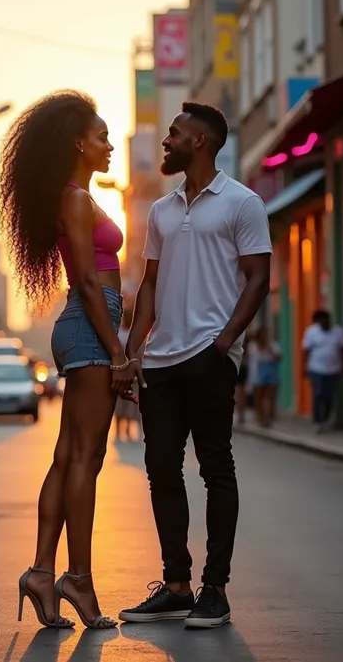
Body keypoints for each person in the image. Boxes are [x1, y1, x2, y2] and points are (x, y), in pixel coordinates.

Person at [119, 102, 272, 629]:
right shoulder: (161, 210)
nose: (167, 141)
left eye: (175, 133)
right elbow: (152, 284)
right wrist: (133, 352)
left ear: (200, 141)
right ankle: (177, 584)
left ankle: (216, 590)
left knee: (215, 468)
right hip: (161, 362)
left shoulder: (242, 203)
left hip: (210, 356)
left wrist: (224, 341)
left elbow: (257, 278)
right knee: (161, 469)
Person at [0, 90, 141, 630]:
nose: (108, 146)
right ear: (78, 142)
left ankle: (41, 572)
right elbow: (84, 279)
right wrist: (119, 350)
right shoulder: (76, 199)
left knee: (67, 457)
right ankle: (77, 578)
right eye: (102, 137)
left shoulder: (80, 195)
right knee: (86, 459)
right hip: (90, 320)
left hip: (84, 322)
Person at [302, 309, 343, 433]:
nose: (322, 323)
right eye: (319, 321)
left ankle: (325, 418)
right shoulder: (311, 332)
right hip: (316, 369)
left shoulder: (338, 332)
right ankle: (317, 421)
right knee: (318, 394)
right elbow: (306, 350)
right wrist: (304, 366)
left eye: (324, 320)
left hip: (333, 369)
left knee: (329, 396)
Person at [114, 309, 142, 442]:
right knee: (131, 404)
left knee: (120, 403)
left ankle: (119, 431)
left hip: (120, 373)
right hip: (134, 376)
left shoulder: (119, 335)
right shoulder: (138, 337)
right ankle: (127, 430)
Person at [251, 326, 281, 428]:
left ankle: (268, 418)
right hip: (258, 372)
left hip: (271, 371)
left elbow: (278, 357)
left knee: (269, 397)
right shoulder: (254, 346)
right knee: (259, 397)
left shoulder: (273, 345)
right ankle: (260, 417)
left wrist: (270, 349)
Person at [235, 336, 250, 424]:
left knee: (239, 391)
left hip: (240, 365)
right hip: (241, 364)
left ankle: (241, 414)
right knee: (240, 391)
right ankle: (240, 414)